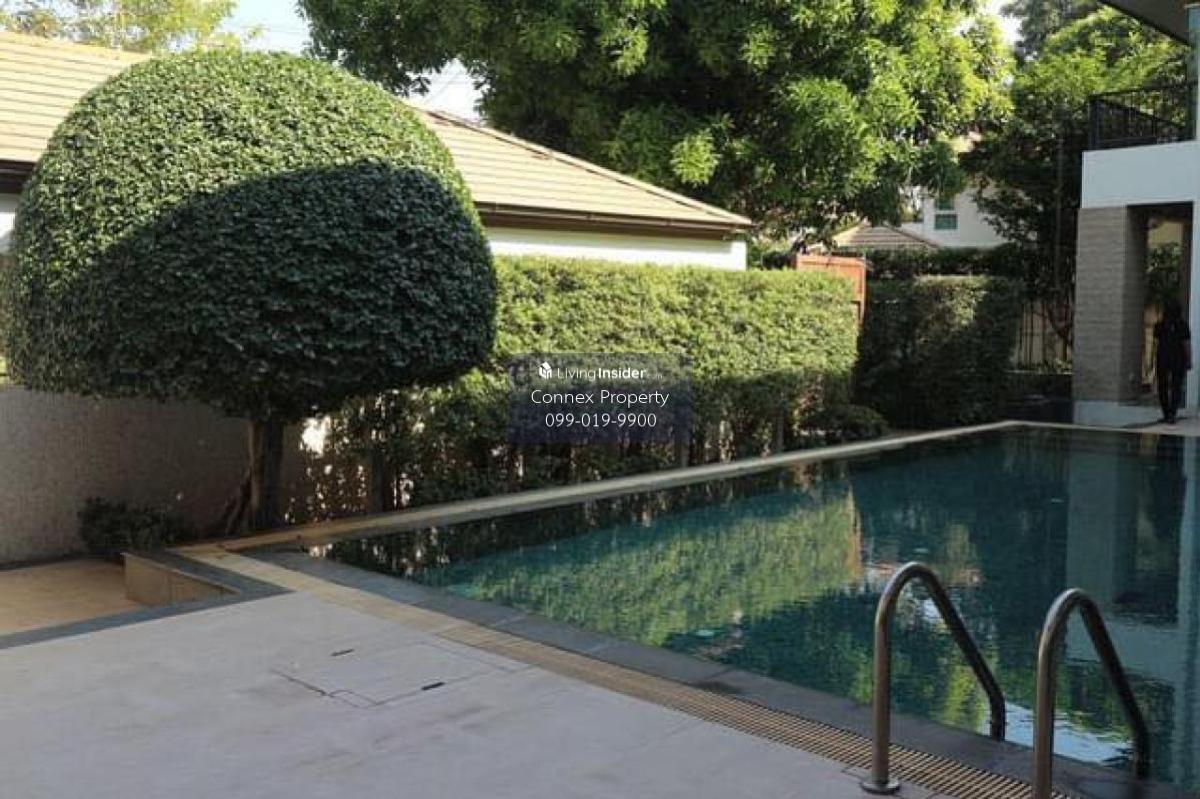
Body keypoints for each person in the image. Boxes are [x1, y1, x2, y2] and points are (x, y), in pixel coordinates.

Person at [1153, 299, 1192, 424]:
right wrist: (1189, 360)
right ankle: (1172, 413)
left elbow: (1156, 344)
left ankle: (1166, 413)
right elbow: (1186, 344)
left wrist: (1154, 359)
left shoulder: (1159, 325)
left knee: (1163, 386)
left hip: (1162, 357)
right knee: (1176, 386)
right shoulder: (1183, 325)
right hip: (1178, 358)